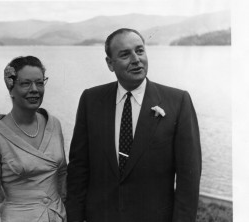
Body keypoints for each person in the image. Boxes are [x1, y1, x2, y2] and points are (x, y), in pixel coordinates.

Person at [66, 28, 202, 222]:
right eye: (125, 54)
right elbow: (78, 169)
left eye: (139, 51)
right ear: (110, 64)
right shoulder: (91, 100)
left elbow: (189, 179)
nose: (136, 59)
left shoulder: (178, 102)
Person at [0, 56, 67, 222]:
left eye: (39, 83)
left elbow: (62, 174)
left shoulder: (54, 124)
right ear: (11, 89)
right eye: (25, 83)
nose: (34, 89)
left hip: (57, 216)